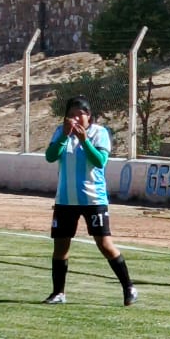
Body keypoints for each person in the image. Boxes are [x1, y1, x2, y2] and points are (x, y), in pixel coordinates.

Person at [42, 96, 137, 306]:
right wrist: (64, 136)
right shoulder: (60, 132)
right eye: (71, 114)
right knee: (60, 246)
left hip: (93, 199)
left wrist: (84, 140)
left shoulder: (99, 133)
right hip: (66, 200)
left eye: (80, 114)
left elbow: (100, 161)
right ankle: (58, 293)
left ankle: (129, 287)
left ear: (89, 116)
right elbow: (50, 156)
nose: (75, 118)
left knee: (104, 244)